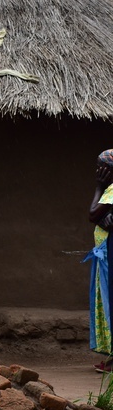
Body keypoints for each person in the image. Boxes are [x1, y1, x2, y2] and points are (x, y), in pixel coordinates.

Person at [86, 149, 113, 372]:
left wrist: (98, 187)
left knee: (109, 303)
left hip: (108, 256)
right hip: (104, 255)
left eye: (102, 167)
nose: (98, 171)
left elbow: (93, 213)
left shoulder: (110, 190)